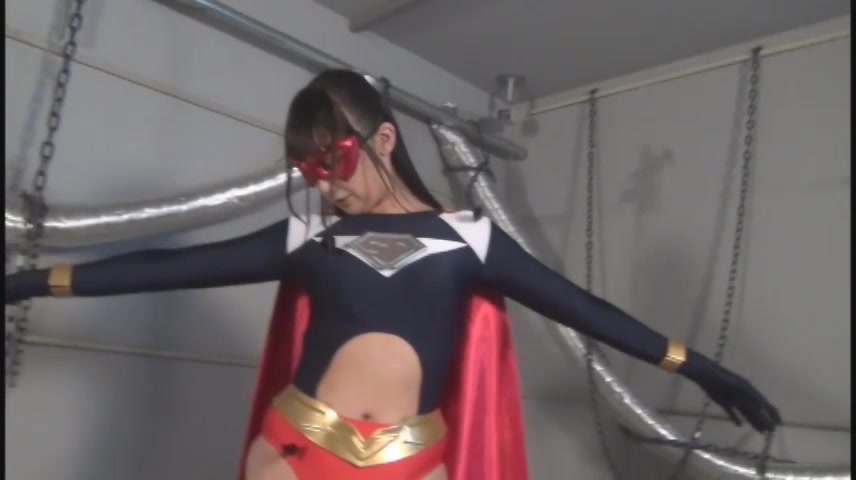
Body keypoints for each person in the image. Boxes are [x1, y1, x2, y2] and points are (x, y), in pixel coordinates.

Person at [5, 69, 781, 480]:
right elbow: (170, 268)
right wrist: (36, 282)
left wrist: (696, 365)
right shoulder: (308, 235)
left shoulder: (471, 239)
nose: (324, 182)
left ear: (381, 140)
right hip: (294, 454)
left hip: (412, 462)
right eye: (308, 168)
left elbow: (583, 310)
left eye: (335, 160)